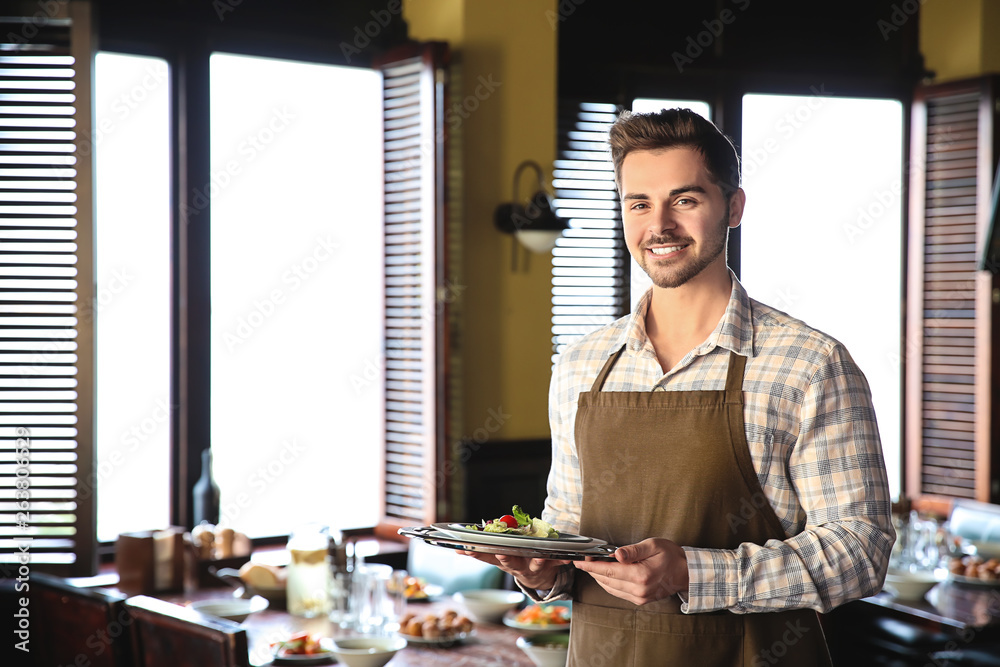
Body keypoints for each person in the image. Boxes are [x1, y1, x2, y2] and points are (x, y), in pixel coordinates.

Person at [466, 108, 895, 665]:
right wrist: (542, 568)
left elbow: (862, 550)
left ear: (733, 208)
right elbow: (570, 528)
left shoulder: (810, 364)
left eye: (684, 200)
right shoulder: (579, 365)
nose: (658, 225)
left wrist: (696, 572)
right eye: (638, 203)